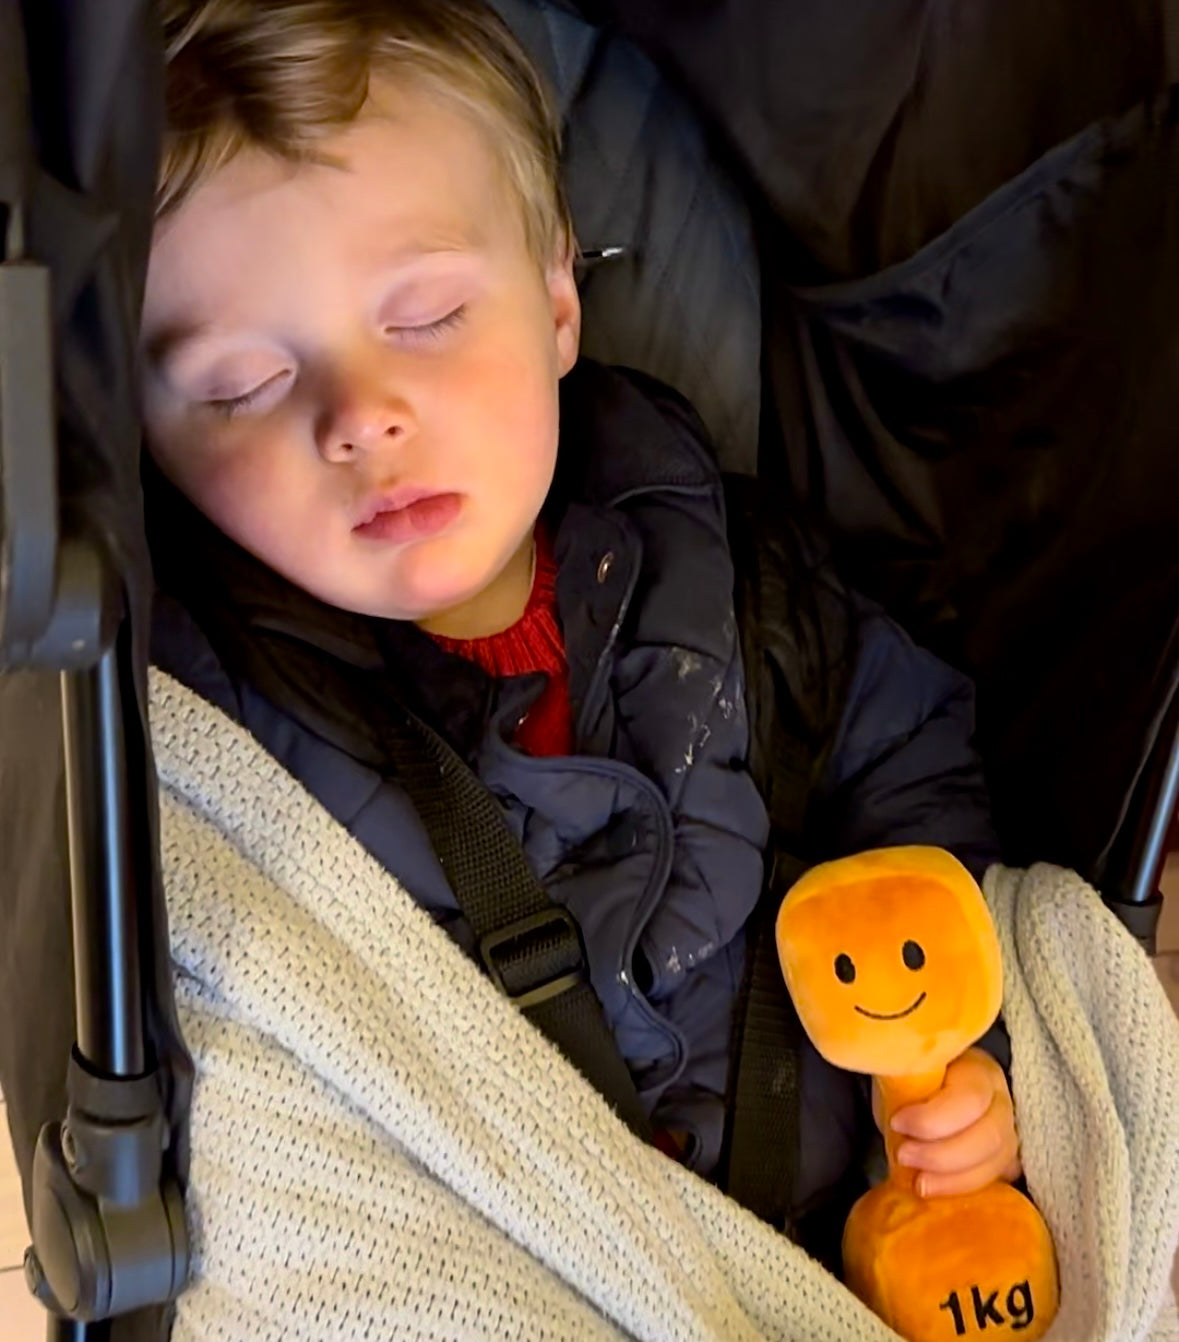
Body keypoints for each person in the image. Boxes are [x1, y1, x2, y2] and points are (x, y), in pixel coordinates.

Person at [140, 0, 1020, 1247]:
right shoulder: (194, 714)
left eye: (427, 316)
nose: (361, 415)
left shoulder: (732, 562)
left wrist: (952, 1055)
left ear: (559, 299)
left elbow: (914, 762)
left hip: (838, 1213)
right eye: (243, 385)